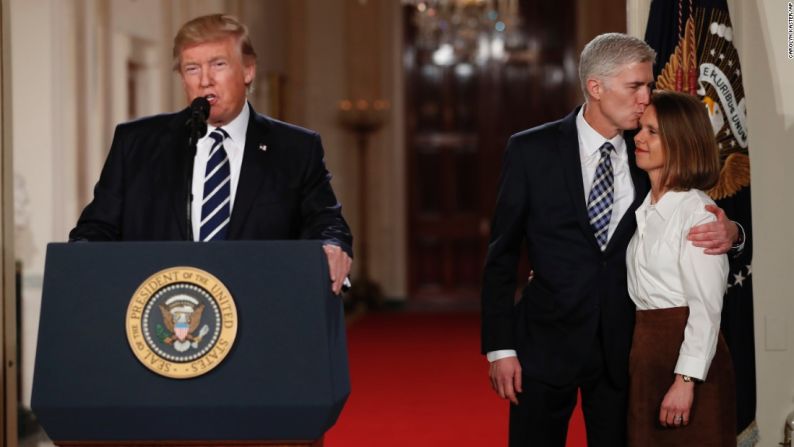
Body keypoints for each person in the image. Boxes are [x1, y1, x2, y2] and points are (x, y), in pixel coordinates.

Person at [481, 33, 741, 446]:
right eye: (635, 86)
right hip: (544, 346)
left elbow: (691, 212)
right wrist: (500, 348)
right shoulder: (531, 150)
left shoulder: (651, 154)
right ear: (596, 87)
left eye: (649, 85)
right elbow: (502, 255)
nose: (646, 97)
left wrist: (733, 232)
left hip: (624, 355)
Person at [69, 14, 352, 294]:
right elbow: (97, 227)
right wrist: (81, 258)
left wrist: (332, 245)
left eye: (218, 64)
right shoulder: (136, 144)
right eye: (192, 68)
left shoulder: (295, 149)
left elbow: (326, 221)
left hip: (260, 310)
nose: (205, 80)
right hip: (162, 316)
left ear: (248, 70)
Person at [627, 90, 735, 446]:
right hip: (648, 354)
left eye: (651, 131)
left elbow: (706, 308)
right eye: (640, 128)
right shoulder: (646, 209)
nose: (638, 138)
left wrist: (685, 380)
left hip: (687, 360)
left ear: (680, 142)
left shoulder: (696, 212)